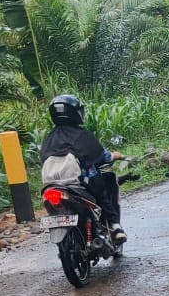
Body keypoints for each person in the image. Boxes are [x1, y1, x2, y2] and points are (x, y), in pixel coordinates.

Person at [40, 94, 126, 243]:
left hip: (51, 184)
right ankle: (115, 226)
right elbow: (101, 155)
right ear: (75, 113)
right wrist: (115, 155)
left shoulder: (49, 138)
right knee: (102, 192)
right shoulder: (82, 135)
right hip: (79, 183)